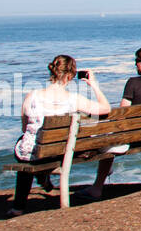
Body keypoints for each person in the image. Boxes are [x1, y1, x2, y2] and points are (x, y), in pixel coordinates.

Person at [7, 55, 111, 216]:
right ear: (70, 76)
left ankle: (17, 207)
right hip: (58, 153)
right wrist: (94, 86)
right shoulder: (74, 99)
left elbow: (24, 128)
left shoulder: (31, 96)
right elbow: (106, 108)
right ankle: (42, 178)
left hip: (32, 153)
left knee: (25, 146)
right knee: (50, 145)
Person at [87, 46, 141, 199]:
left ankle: (97, 187)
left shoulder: (133, 83)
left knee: (104, 137)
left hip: (133, 137)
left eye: (136, 61)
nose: (135, 65)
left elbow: (122, 114)